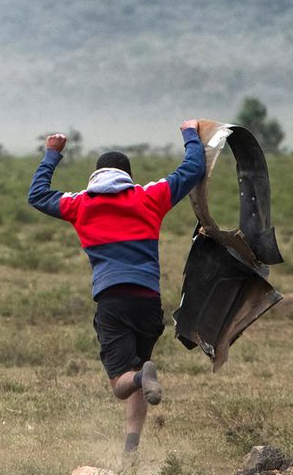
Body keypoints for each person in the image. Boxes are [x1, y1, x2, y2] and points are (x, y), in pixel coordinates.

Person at [27, 121, 205, 457]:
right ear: (128, 174)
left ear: (95, 176)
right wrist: (189, 133)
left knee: (124, 385)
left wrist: (52, 153)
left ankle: (140, 380)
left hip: (112, 301)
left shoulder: (80, 205)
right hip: (148, 303)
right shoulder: (149, 197)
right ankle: (130, 450)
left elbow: (37, 195)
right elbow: (193, 168)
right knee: (139, 367)